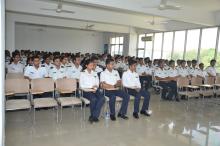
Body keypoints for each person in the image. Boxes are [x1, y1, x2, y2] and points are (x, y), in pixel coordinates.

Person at [79, 59, 105, 123]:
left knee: (102, 98)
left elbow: (97, 82)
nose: (92, 66)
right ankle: (94, 116)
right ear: (86, 65)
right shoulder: (82, 73)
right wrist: (91, 87)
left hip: (95, 90)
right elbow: (81, 85)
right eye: (90, 65)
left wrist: (95, 88)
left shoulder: (95, 73)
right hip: (86, 91)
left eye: (93, 65)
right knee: (93, 99)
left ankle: (93, 115)